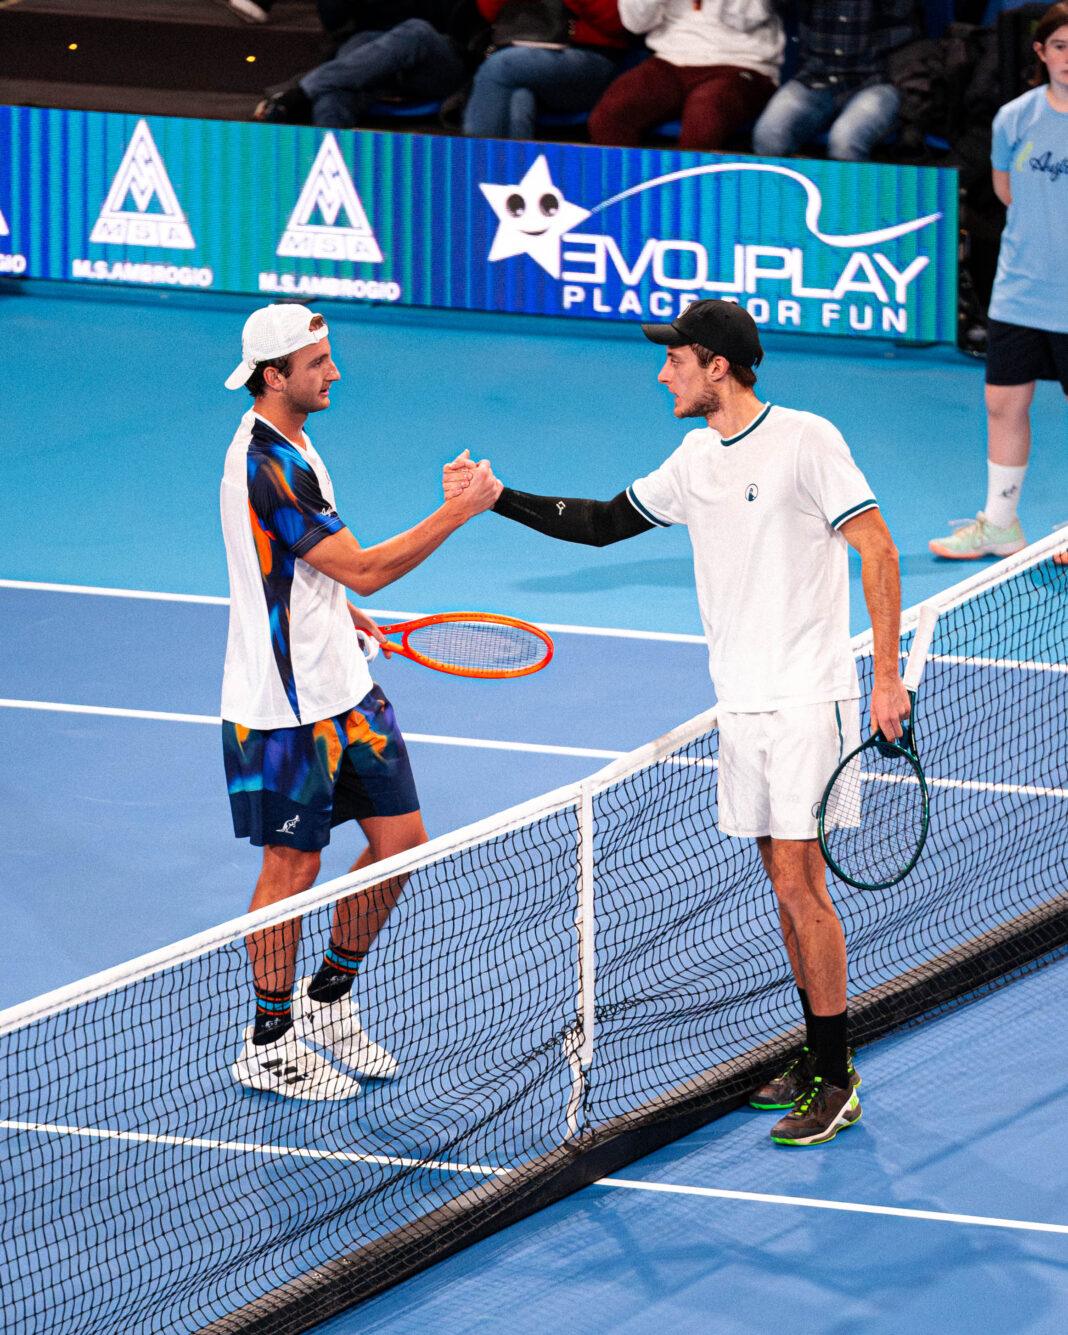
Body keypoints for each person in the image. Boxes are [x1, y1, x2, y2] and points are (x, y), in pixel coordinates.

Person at [444, 299, 909, 1146]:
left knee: (801, 887)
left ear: (717, 367)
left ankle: (838, 1078)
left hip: (807, 700)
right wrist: (496, 497)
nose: (664, 374)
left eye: (676, 359)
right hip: (742, 704)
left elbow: (878, 547)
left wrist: (886, 677)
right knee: (782, 887)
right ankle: (818, 1053)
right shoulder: (696, 460)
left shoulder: (807, 440)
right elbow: (601, 524)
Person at [221, 303, 500, 1100]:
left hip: (346, 687)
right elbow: (368, 567)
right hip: (284, 710)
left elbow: (307, 562)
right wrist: (457, 513)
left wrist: (335, 607)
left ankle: (329, 996)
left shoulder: (299, 445)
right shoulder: (266, 466)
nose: (334, 372)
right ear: (274, 376)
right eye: (317, 363)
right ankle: (269, 1040)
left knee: (402, 844)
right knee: (293, 865)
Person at [929, 2, 1068, 561]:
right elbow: (1006, 192)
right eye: (1060, 46)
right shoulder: (1014, 118)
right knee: (1003, 405)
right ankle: (1001, 525)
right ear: (1041, 52)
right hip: (1019, 293)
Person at [588, 0, 783, 152]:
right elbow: (635, 24)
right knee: (611, 114)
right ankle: (627, 190)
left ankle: (688, 191)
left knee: (704, 116)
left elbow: (745, 19)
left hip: (742, 62)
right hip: (670, 57)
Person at [253, 2, 484, 128]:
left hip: (438, 55)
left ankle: (301, 91)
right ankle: (330, 165)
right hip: (371, 52)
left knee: (416, 32)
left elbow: (468, 23)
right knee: (334, 89)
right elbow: (334, 21)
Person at [751, 0, 917, 162]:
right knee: (769, 134)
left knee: (845, 141)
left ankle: (851, 183)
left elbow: (902, 11)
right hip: (816, 77)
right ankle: (790, 181)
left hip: (879, 79)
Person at [463, 0, 628, 140]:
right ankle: (512, 166)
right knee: (519, 98)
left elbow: (619, 22)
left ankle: (474, 163)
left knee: (501, 67)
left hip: (593, 60)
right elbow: (490, 13)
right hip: (525, 52)